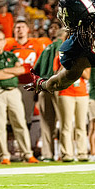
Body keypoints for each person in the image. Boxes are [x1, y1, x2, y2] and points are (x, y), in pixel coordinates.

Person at [0, 30, 39, 164]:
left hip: (14, 91)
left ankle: (27, 154)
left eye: (0, 40)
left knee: (20, 123)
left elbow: (21, 70)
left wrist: (4, 71)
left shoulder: (11, 55)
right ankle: (4, 155)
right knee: (0, 124)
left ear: (4, 41)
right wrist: (12, 72)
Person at [4, 17, 39, 146]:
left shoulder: (36, 44)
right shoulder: (8, 44)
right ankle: (10, 145)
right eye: (17, 27)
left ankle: (25, 145)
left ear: (28, 30)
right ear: (14, 30)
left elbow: (39, 66)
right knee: (10, 116)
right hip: (12, 84)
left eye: (23, 27)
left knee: (27, 116)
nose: (20, 30)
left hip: (28, 85)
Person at [32, 27, 65, 160]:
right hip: (58, 87)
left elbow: (34, 71)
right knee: (64, 122)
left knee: (46, 124)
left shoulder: (46, 49)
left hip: (43, 88)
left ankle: (47, 154)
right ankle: (64, 153)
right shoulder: (64, 46)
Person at [53, 51, 90, 162]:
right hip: (65, 93)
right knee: (66, 125)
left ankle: (82, 153)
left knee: (81, 125)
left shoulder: (84, 58)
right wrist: (66, 63)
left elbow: (87, 75)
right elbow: (57, 75)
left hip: (81, 94)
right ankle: (66, 154)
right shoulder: (59, 57)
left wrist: (76, 65)